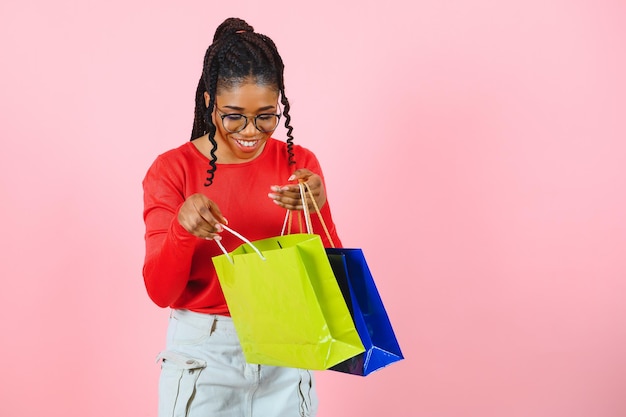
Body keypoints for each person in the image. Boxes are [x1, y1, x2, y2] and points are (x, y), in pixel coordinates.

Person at [142, 17, 342, 417]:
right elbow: (160, 292)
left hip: (287, 347)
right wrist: (183, 228)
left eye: (267, 116)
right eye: (234, 115)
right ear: (208, 102)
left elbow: (332, 282)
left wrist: (317, 210)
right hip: (205, 357)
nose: (251, 131)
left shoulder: (299, 164)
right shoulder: (172, 170)